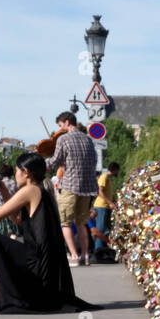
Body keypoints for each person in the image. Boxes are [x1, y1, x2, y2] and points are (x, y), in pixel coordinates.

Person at [0, 152, 98, 314]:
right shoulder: (40, 190)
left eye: (17, 171)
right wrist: (3, 191)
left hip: (37, 264)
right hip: (43, 262)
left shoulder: (30, 190)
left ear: (26, 173)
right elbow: (17, 219)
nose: (15, 175)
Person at [46, 111, 98, 267]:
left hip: (70, 186)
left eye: (61, 125)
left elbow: (55, 161)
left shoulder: (64, 138)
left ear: (67, 122)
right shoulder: (88, 140)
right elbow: (94, 160)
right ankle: (85, 255)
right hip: (87, 187)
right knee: (82, 223)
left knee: (66, 222)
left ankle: (74, 255)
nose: (60, 129)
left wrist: (42, 162)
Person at [93, 160, 120, 257]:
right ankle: (98, 251)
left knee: (106, 229)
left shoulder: (109, 178)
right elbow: (100, 192)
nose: (118, 173)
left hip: (106, 207)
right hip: (101, 206)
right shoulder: (104, 177)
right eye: (117, 171)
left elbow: (108, 193)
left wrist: (114, 202)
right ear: (114, 170)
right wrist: (109, 202)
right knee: (100, 229)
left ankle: (103, 251)